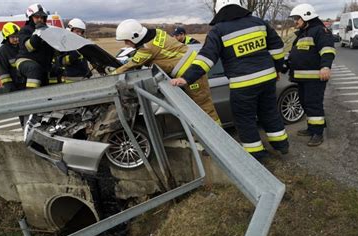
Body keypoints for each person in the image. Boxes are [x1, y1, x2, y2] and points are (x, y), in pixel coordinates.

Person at [171, 0, 289, 160]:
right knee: (269, 111)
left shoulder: (218, 31)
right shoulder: (259, 23)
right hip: (268, 78)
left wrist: (186, 78)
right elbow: (277, 47)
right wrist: (278, 68)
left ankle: (257, 154)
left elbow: (206, 59)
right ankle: (281, 145)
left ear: (219, 10)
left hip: (243, 84)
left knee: (245, 118)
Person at [113, 19, 220, 124]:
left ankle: (218, 136)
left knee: (204, 107)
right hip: (191, 68)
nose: (126, 44)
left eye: (127, 40)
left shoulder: (147, 48)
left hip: (192, 74)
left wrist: (113, 74)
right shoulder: (157, 33)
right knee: (195, 108)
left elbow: (130, 65)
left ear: (135, 36)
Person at [287, 3, 336, 146]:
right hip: (302, 78)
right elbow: (297, 54)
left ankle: (318, 133)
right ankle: (311, 128)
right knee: (304, 103)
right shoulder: (303, 33)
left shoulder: (320, 31)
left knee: (313, 104)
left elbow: (327, 49)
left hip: (315, 78)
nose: (295, 21)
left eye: (297, 18)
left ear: (306, 16)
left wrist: (326, 66)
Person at [16, 3, 56, 89]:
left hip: (42, 63)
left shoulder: (47, 31)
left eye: (42, 17)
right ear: (30, 18)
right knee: (33, 68)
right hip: (25, 60)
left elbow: (53, 49)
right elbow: (29, 47)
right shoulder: (25, 30)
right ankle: (32, 98)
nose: (40, 19)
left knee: (55, 71)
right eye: (37, 17)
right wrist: (38, 32)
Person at [59, 18, 91, 83]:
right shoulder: (64, 44)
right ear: (70, 30)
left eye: (81, 32)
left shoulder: (81, 44)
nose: (79, 34)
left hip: (84, 78)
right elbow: (61, 61)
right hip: (71, 80)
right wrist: (72, 56)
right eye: (77, 31)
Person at [0, 22, 25, 92]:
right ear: (6, 37)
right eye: (12, 37)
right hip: (14, 87)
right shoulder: (3, 50)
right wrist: (10, 89)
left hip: (26, 85)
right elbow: (3, 73)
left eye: (17, 36)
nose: (16, 39)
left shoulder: (22, 46)